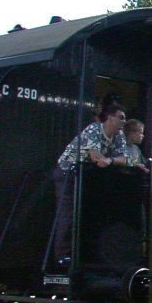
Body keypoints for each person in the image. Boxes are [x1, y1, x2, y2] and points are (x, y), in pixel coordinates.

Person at [52, 102, 128, 263]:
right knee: (68, 214)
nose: (124, 122)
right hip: (67, 173)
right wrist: (108, 160)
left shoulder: (119, 135)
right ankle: (62, 255)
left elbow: (124, 159)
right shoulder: (94, 129)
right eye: (121, 118)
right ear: (110, 118)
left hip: (86, 176)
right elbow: (96, 157)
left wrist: (110, 160)